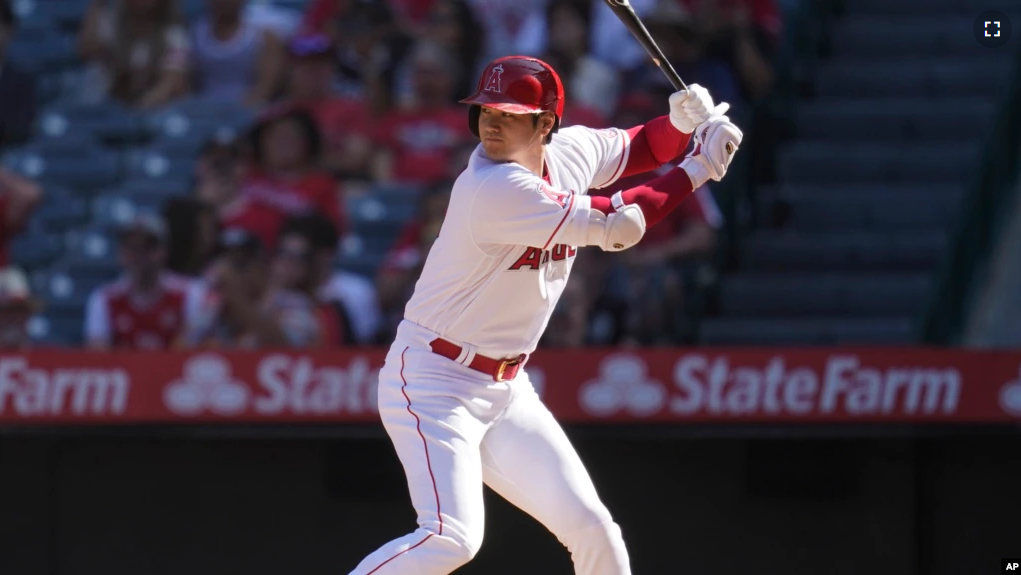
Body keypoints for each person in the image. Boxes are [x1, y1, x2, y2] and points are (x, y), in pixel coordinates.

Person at [348, 55, 741, 574]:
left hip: (507, 387)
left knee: (594, 531)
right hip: (433, 380)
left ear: (545, 124)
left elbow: (641, 147)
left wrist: (682, 125)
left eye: (509, 112)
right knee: (451, 538)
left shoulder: (571, 152)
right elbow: (620, 225)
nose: (491, 120)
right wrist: (699, 167)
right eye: (486, 109)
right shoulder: (492, 187)